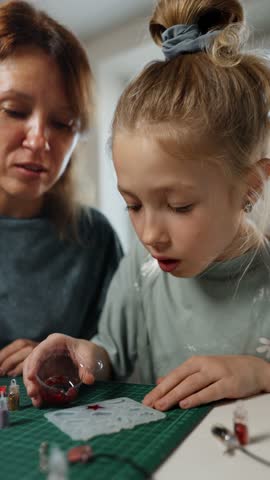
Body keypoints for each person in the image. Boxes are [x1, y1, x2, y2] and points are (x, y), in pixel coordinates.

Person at [24, 0, 270, 411]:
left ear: (251, 185)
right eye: (133, 205)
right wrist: (87, 356)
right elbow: (110, 354)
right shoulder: (143, 266)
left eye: (179, 206)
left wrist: (260, 374)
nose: (150, 235)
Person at [0, 0, 122, 377]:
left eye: (63, 123)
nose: (39, 140)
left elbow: (120, 358)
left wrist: (71, 359)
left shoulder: (94, 238)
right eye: (15, 111)